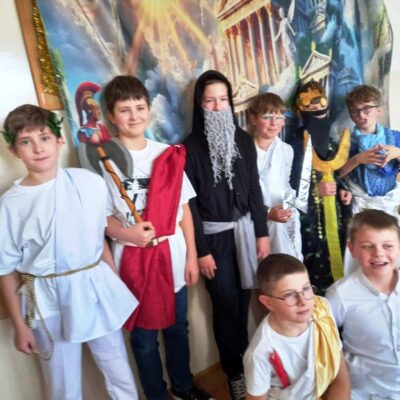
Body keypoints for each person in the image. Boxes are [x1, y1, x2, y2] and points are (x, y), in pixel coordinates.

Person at [0, 104, 138, 400]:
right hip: (47, 299)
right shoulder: (10, 204)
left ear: (59, 140)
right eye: (26, 141)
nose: (38, 148)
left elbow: (98, 237)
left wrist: (114, 285)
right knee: (62, 384)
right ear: (14, 150)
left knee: (118, 369)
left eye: (44, 138)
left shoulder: (88, 183)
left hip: (94, 287)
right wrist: (20, 326)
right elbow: (6, 270)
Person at [102, 75, 213, 400]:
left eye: (140, 107)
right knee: (143, 338)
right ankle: (156, 395)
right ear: (112, 116)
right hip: (132, 260)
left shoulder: (167, 154)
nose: (134, 115)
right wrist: (126, 233)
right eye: (125, 109)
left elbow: (184, 210)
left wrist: (191, 256)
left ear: (149, 110)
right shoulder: (103, 159)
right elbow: (101, 217)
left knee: (178, 326)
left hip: (172, 255)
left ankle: (183, 386)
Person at [184, 70, 270, 400]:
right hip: (214, 240)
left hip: (246, 233)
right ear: (199, 105)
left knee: (245, 300)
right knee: (224, 303)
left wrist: (261, 233)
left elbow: (254, 189)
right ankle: (234, 372)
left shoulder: (244, 141)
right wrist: (201, 251)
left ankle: (249, 364)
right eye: (210, 101)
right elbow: (189, 206)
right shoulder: (188, 149)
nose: (218, 107)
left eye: (223, 100)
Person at [244, 254, 350, 400]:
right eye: (289, 295)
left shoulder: (322, 310)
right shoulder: (259, 353)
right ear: (268, 302)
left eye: (306, 288)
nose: (303, 301)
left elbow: (341, 377)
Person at [326, 209, 400, 399]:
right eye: (368, 246)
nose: (379, 254)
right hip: (366, 392)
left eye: (388, 246)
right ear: (352, 249)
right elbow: (324, 340)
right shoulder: (340, 295)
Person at [290, 80, 352, 293]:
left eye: (322, 109)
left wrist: (343, 191)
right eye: (312, 110)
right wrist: (315, 192)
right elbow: (288, 189)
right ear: (301, 113)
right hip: (311, 226)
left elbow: (337, 176)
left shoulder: (333, 144)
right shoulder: (294, 148)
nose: (319, 115)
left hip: (336, 220)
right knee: (315, 277)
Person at [249, 92, 302, 260]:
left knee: (291, 262)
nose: (274, 123)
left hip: (286, 217)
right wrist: (267, 212)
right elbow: (243, 193)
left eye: (279, 117)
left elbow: (285, 184)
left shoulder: (287, 150)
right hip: (257, 219)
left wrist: (287, 207)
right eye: (267, 117)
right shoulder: (246, 151)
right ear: (253, 119)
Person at [340, 84, 400, 219]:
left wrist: (398, 153)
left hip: (391, 203)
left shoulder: (395, 137)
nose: (361, 115)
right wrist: (358, 159)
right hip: (360, 203)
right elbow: (338, 173)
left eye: (366, 109)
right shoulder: (345, 142)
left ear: (378, 110)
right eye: (355, 111)